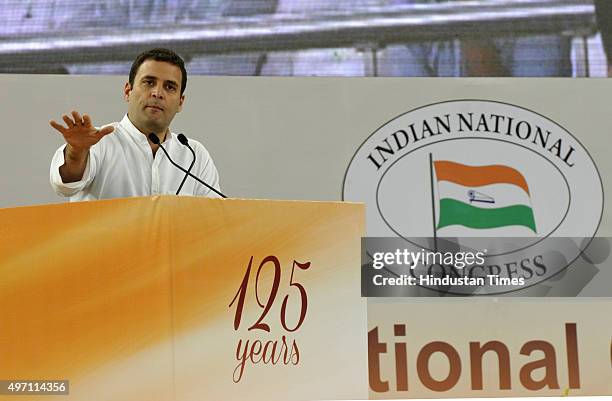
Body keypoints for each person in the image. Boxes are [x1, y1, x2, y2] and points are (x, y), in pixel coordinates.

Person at [49, 48, 221, 201]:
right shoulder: (97, 142)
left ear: (180, 102)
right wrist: (77, 152)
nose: (157, 93)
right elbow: (64, 185)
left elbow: (210, 218)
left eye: (169, 87)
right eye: (149, 82)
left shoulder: (194, 155)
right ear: (127, 91)